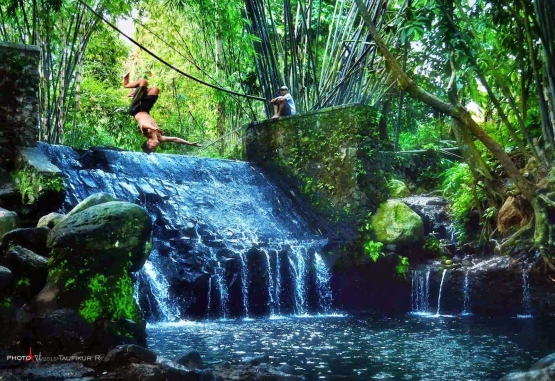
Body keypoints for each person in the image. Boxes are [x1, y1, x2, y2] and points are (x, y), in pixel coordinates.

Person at [123, 73, 201, 153]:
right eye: (154, 149)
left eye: (152, 148)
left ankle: (126, 85)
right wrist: (190, 143)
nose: (155, 148)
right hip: (145, 109)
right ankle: (133, 93)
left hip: (136, 109)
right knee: (155, 90)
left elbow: (143, 126)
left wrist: (153, 128)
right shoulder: (160, 138)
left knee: (143, 82)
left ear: (148, 142)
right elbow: (175, 139)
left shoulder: (147, 134)